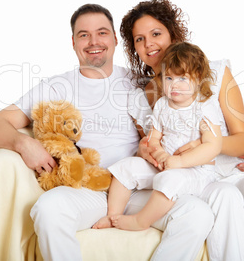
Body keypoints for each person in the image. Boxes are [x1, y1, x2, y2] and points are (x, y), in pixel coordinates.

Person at [0, 3, 215, 260]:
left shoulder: (140, 83)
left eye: (102, 32)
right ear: (73, 42)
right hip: (85, 189)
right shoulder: (57, 86)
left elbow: (187, 110)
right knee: (48, 209)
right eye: (83, 34)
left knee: (197, 214)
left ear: (114, 38)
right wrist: (23, 144)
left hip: (138, 187)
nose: (93, 41)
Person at [120, 0, 244, 260]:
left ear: (173, 34)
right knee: (226, 198)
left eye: (155, 33)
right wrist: (146, 150)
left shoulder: (217, 73)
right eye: (139, 39)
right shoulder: (145, 96)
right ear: (134, 48)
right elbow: (155, 150)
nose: (148, 43)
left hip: (234, 171)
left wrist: (204, 144)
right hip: (194, 180)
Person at [93, 42, 224, 231]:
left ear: (198, 79)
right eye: (169, 78)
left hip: (196, 172)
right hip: (164, 164)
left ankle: (140, 221)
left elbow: (213, 146)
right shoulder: (163, 104)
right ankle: (112, 216)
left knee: (169, 180)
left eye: (182, 79)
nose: (174, 85)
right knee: (125, 167)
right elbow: (154, 138)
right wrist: (160, 154)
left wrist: (179, 162)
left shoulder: (203, 106)